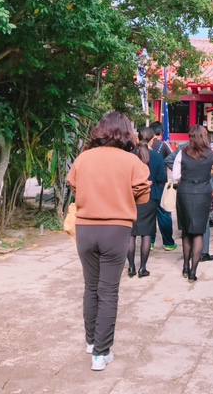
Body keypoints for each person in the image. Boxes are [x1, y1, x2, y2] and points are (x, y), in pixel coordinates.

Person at [67, 111, 151, 371]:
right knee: (108, 290)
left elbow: (74, 187)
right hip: (116, 229)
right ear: (127, 133)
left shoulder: (83, 158)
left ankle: (92, 342)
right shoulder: (132, 162)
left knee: (90, 287)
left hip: (85, 229)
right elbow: (143, 195)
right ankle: (101, 354)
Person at [172, 125, 213, 282]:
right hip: (203, 192)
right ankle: (193, 271)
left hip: (185, 191)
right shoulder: (211, 153)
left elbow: (176, 176)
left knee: (186, 230)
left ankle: (185, 265)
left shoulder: (182, 153)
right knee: (199, 232)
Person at [127, 126, 166, 279]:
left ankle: (131, 267)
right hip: (150, 198)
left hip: (131, 198)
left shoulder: (130, 156)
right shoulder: (157, 157)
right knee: (146, 234)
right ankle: (143, 268)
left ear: (138, 137)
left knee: (130, 234)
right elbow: (162, 178)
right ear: (152, 139)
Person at [149, 122, 177, 252]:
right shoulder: (163, 144)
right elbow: (173, 158)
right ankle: (168, 242)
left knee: (149, 214)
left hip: (145, 185)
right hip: (160, 184)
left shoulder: (144, 146)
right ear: (161, 132)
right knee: (164, 213)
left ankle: (150, 242)